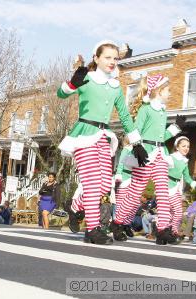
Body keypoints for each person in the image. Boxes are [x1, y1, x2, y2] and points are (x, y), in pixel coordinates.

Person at [57, 40, 147, 244]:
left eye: (115, 58)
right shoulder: (86, 79)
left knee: (105, 185)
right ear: (96, 58)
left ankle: (74, 206)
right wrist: (72, 84)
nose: (112, 61)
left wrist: (137, 143)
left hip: (104, 137)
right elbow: (60, 94)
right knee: (92, 185)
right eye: (107, 57)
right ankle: (92, 229)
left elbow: (124, 116)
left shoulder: (115, 86)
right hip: (84, 134)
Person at [111, 73, 185, 245]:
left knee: (163, 191)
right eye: (167, 90)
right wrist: (138, 147)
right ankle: (117, 222)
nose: (170, 93)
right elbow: (135, 131)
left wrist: (175, 129)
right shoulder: (146, 109)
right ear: (158, 91)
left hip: (160, 153)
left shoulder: (163, 111)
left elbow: (161, 136)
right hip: (145, 154)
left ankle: (162, 230)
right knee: (135, 193)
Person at [167, 136, 196, 240]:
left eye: (188, 146)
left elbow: (187, 177)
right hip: (166, 187)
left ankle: (171, 232)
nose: (186, 148)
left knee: (175, 212)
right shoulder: (170, 157)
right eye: (183, 146)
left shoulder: (184, 161)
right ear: (177, 147)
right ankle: (170, 232)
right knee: (173, 212)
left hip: (177, 188)